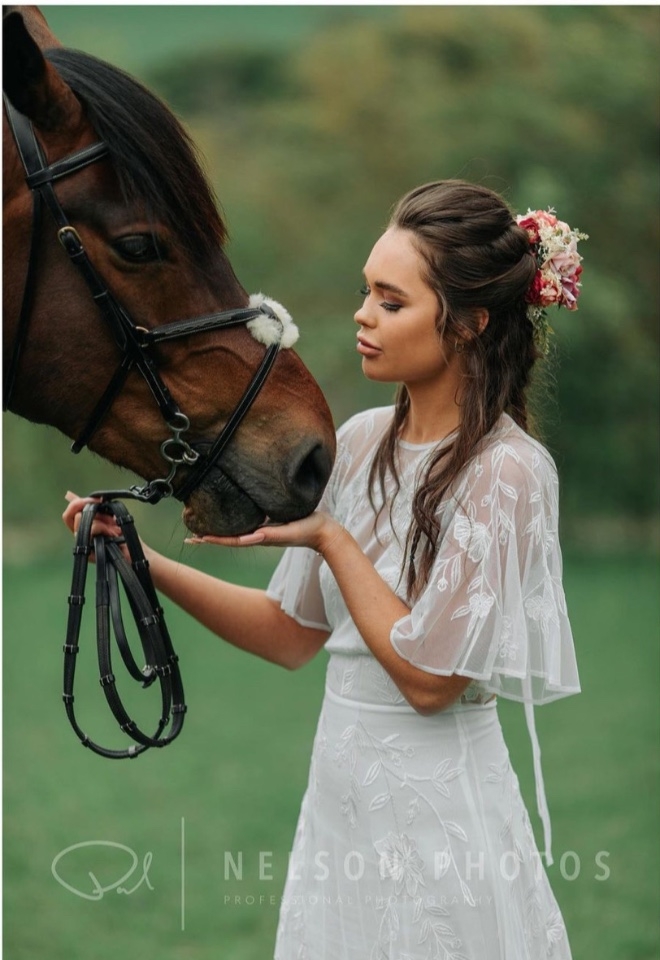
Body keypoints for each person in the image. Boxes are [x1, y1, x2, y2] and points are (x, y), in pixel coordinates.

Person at [63, 180, 584, 958]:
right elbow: (289, 634)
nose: (362, 316)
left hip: (443, 822)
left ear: (471, 323)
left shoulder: (507, 472)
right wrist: (141, 559)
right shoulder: (364, 440)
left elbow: (431, 682)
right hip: (339, 816)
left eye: (391, 301)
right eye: (365, 293)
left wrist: (333, 542)